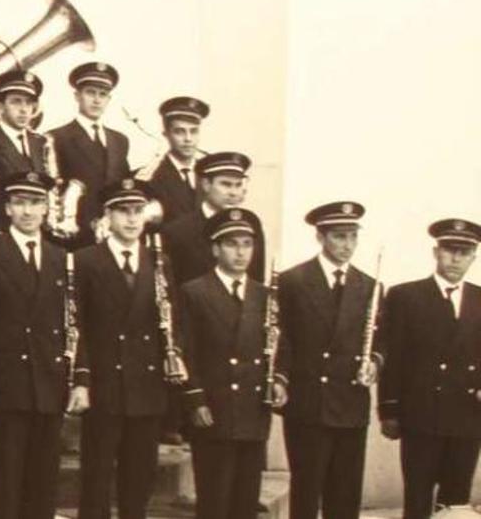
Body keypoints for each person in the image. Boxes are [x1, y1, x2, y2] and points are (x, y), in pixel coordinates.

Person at [0, 171, 85, 519]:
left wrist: (77, 378)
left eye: (35, 203)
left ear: (47, 208)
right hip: (7, 381)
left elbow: (72, 322)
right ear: (7, 208)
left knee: (43, 480)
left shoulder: (62, 258)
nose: (28, 211)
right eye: (20, 203)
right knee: (6, 477)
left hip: (48, 381)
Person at [175, 207, 285, 519]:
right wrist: (195, 399)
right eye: (232, 244)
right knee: (214, 500)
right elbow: (185, 351)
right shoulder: (194, 292)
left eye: (247, 244)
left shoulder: (265, 296)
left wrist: (279, 381)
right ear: (215, 249)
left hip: (252, 410)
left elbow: (280, 347)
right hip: (214, 409)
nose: (240, 252)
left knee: (245, 501)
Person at [74, 178, 172, 519]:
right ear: (107, 217)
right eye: (123, 211)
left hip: (146, 385)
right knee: (97, 477)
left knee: (139, 477)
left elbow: (168, 324)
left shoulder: (158, 261)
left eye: (137, 211)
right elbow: (78, 325)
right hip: (105, 383)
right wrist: (82, 378)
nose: (132, 219)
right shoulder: (85, 261)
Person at [275, 201, 379, 519]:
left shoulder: (370, 286)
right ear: (320, 237)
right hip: (309, 403)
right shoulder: (292, 281)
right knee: (306, 493)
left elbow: (380, 337)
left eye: (352, 237)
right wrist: (280, 379)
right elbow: (282, 339)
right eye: (338, 237)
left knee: (345, 495)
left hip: (350, 402)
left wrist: (374, 362)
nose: (347, 245)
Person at [377, 218, 481, 519]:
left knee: (456, 502)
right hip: (421, 416)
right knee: (418, 499)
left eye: (465, 252)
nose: (456, 259)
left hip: (467, 417)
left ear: (474, 256)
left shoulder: (480, 299)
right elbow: (393, 357)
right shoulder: (405, 297)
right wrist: (390, 410)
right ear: (436, 252)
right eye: (450, 250)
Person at [48, 62, 130, 249]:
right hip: (74, 237)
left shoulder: (120, 140)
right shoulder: (57, 137)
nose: (96, 100)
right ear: (77, 96)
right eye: (90, 92)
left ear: (109, 99)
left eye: (102, 94)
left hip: (113, 236)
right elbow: (54, 192)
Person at [161, 152, 265, 284]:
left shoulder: (252, 226)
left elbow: (256, 284)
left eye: (238, 185)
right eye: (226, 184)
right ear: (206, 185)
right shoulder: (177, 231)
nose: (233, 193)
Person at [0, 71, 49, 233]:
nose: (23, 110)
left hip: (36, 234)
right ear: (0, 107)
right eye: (16, 102)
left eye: (28, 103)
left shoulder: (40, 142)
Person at [133, 96, 209, 221]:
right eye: (179, 132)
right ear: (166, 134)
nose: (188, 139)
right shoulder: (150, 176)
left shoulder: (209, 174)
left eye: (194, 131)